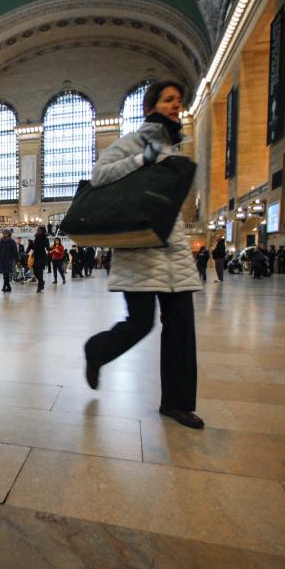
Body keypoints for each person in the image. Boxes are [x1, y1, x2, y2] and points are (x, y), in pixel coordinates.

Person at [83, 80, 204, 429]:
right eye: (168, 100)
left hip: (173, 249)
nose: (175, 106)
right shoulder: (133, 142)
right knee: (141, 323)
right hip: (139, 247)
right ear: (150, 107)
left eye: (179, 101)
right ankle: (97, 350)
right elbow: (99, 175)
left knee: (181, 327)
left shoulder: (176, 148)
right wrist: (141, 159)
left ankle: (178, 404)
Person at [29, 226, 50, 292]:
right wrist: (31, 244)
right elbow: (33, 247)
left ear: (43, 231)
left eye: (39, 230)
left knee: (40, 272)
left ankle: (39, 287)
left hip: (42, 256)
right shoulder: (36, 238)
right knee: (35, 271)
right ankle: (42, 282)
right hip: (35, 256)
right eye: (37, 230)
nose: (37, 231)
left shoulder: (46, 239)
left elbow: (47, 248)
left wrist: (52, 248)